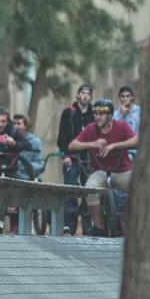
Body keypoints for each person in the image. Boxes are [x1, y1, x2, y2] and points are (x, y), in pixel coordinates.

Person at [68, 99, 138, 236]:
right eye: (95, 113)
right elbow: (72, 146)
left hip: (122, 170)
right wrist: (92, 144)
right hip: (100, 172)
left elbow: (136, 141)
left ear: (110, 115)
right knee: (90, 189)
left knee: (140, 188)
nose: (97, 117)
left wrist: (114, 146)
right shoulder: (90, 129)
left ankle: (134, 225)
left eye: (102, 114)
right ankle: (99, 228)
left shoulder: (121, 126)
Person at [56, 84, 95, 234]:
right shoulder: (68, 113)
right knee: (70, 189)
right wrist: (65, 155)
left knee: (90, 191)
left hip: (89, 159)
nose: (85, 96)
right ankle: (68, 225)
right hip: (71, 158)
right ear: (78, 95)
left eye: (88, 93)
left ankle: (88, 226)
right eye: (82, 93)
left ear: (91, 97)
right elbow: (62, 136)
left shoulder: (95, 114)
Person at [12, 114, 43, 179]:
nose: (15, 126)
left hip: (28, 177)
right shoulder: (10, 140)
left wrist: (22, 165)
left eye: (18, 124)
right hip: (11, 176)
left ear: (26, 126)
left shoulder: (35, 142)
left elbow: (39, 165)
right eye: (14, 124)